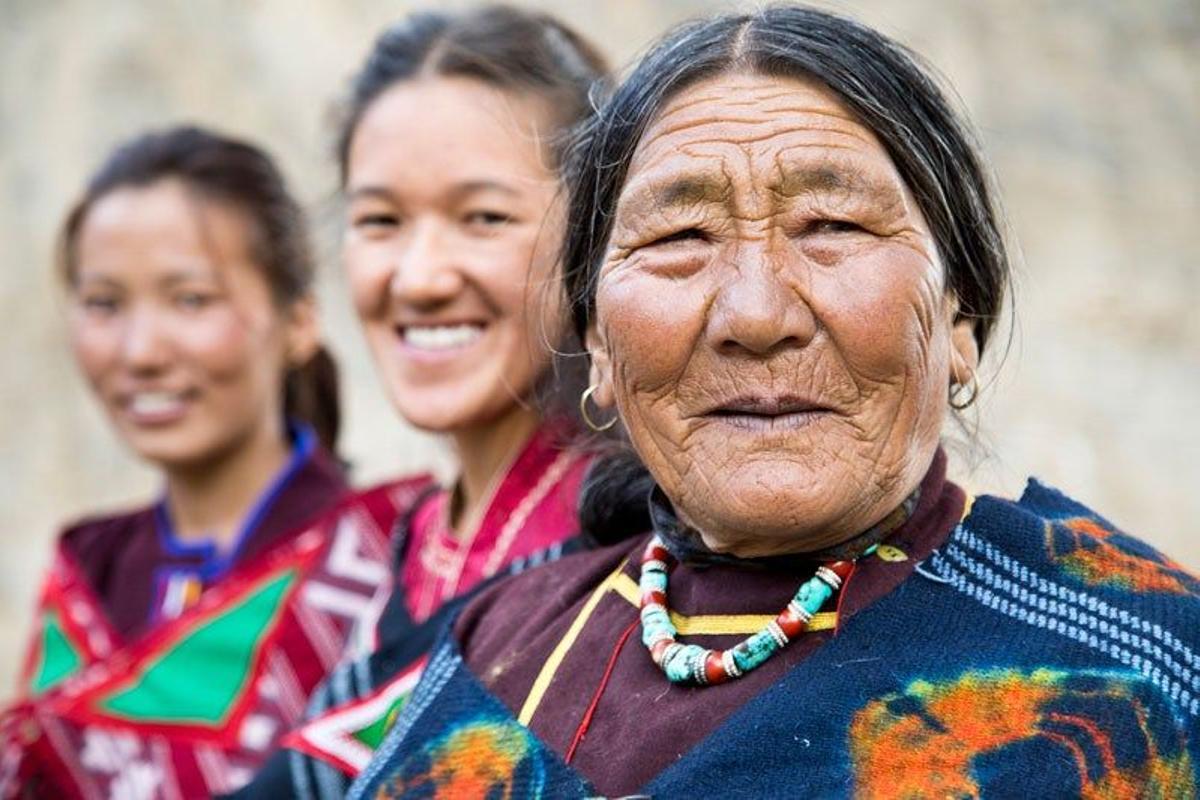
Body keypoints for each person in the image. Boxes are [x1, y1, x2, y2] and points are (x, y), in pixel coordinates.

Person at [346, 6, 1200, 798]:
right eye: (679, 237)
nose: (756, 315)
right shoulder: (499, 645)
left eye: (832, 226)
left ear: (960, 319)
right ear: (598, 345)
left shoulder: (1141, 673)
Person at [228, 7, 611, 798]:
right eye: (380, 221)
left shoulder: (634, 553)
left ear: (595, 234)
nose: (420, 277)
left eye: (483, 218)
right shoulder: (404, 543)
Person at [0, 126, 426, 798]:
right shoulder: (86, 572)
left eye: (191, 299)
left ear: (298, 323)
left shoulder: (398, 558)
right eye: (104, 304)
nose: (140, 351)